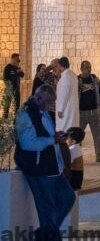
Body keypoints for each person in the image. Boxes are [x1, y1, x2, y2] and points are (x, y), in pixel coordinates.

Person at [15, 85, 76, 238]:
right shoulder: (25, 114)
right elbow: (27, 144)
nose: (50, 106)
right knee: (46, 208)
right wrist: (52, 139)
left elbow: (47, 133)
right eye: (48, 102)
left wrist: (57, 136)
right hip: (38, 168)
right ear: (39, 98)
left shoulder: (44, 111)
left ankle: (44, 233)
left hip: (53, 167)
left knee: (68, 197)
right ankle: (48, 234)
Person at [77, 60, 100, 162]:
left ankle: (99, 155)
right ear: (81, 69)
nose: (88, 69)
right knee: (78, 136)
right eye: (86, 68)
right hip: (81, 113)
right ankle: (76, 156)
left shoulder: (95, 80)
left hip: (94, 112)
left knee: (97, 134)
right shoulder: (77, 81)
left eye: (89, 67)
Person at [54, 57, 79, 134]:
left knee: (64, 130)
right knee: (71, 130)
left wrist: (61, 109)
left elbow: (65, 94)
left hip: (66, 110)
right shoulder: (73, 75)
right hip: (71, 108)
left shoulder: (66, 77)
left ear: (60, 65)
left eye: (57, 66)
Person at [64, 126, 86, 191]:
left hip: (74, 178)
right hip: (78, 177)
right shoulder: (77, 147)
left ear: (73, 141)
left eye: (67, 138)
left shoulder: (72, 149)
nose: (66, 140)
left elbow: (67, 163)